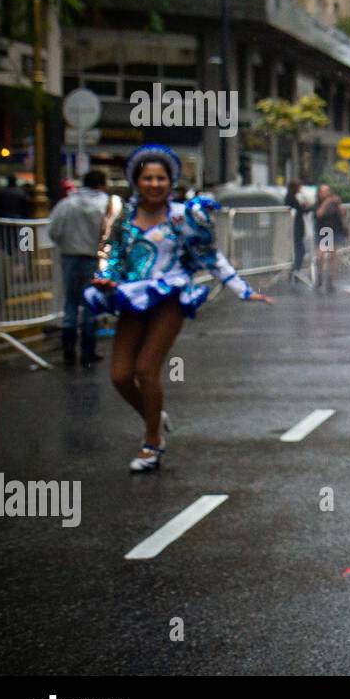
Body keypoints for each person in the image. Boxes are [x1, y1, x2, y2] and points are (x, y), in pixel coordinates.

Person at [84, 145, 272, 472]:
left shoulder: (183, 216)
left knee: (146, 369)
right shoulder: (123, 215)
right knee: (119, 375)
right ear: (136, 181)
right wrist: (105, 278)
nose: (154, 184)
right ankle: (154, 415)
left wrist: (242, 290)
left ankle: (152, 442)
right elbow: (111, 254)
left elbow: (211, 256)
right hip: (133, 296)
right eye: (147, 178)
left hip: (171, 295)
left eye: (160, 178)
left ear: (170, 182)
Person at [47, 169, 110, 366]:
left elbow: (53, 230)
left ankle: (68, 348)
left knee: (71, 303)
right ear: (101, 184)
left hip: (70, 257)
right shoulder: (106, 204)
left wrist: (67, 244)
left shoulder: (67, 203)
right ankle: (88, 351)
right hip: (94, 259)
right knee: (91, 304)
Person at [314, 183, 346, 293]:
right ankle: (319, 277)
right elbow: (318, 214)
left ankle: (330, 280)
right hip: (324, 231)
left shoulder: (335, 202)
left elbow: (342, 214)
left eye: (326, 190)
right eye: (322, 191)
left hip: (335, 230)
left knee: (332, 256)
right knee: (320, 256)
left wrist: (339, 204)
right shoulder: (318, 203)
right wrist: (326, 202)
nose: (325, 193)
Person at [284, 180, 313, 285]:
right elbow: (301, 210)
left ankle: (294, 272)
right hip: (296, 228)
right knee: (300, 250)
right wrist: (308, 207)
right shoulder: (292, 198)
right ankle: (294, 273)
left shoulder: (292, 197)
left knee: (300, 250)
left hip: (298, 227)